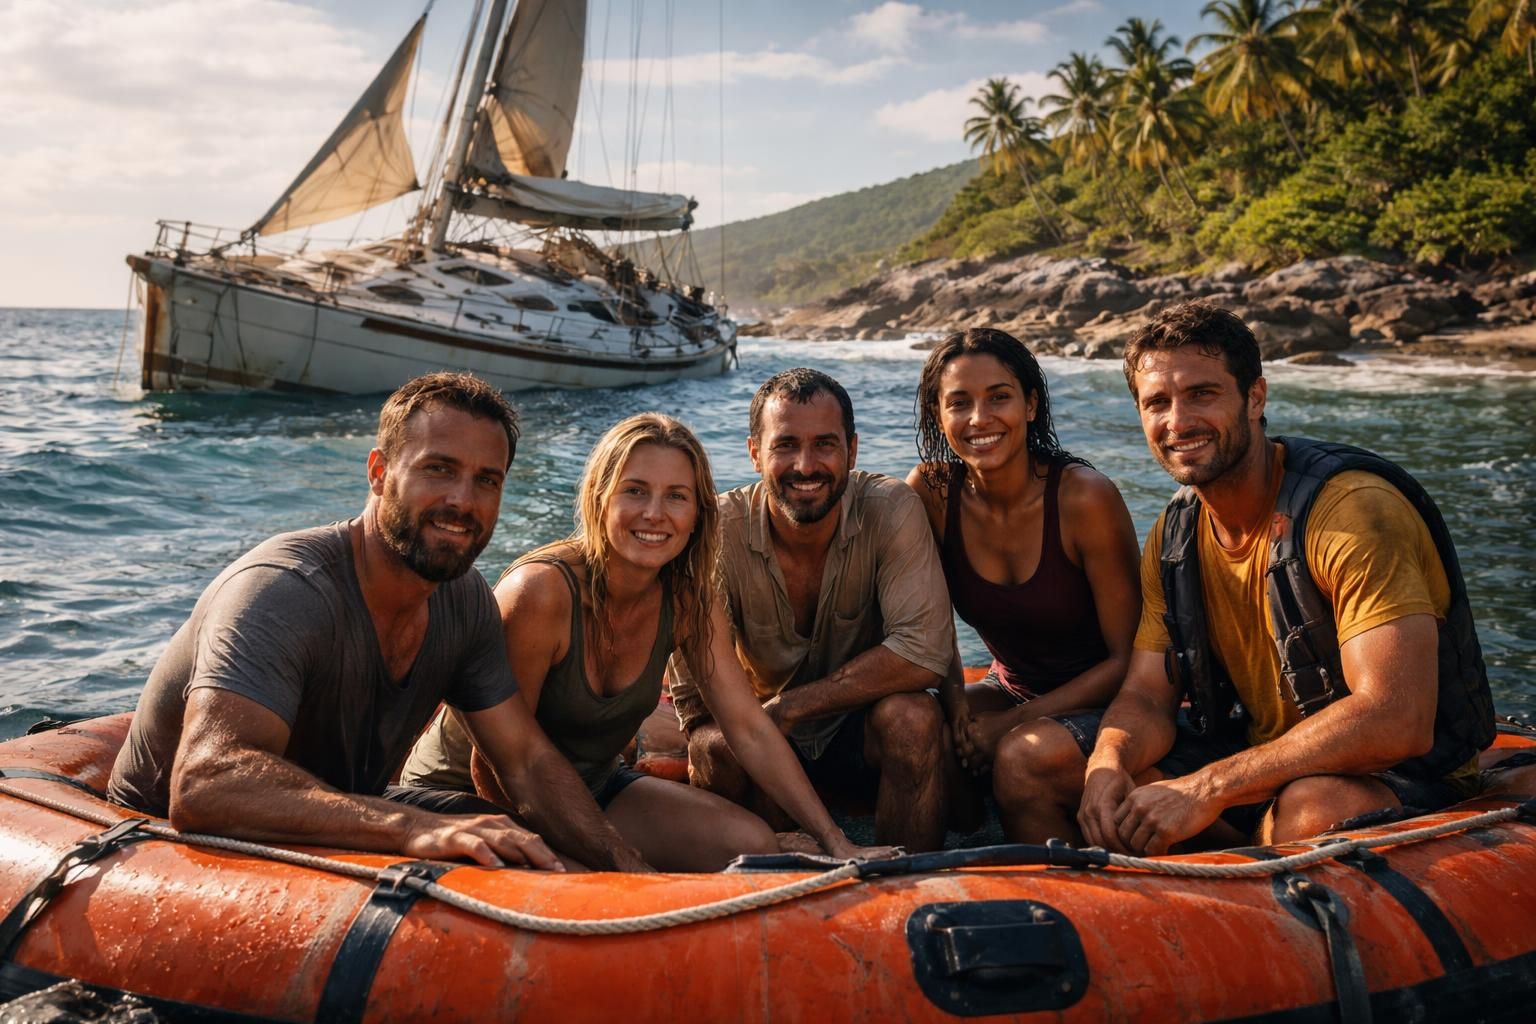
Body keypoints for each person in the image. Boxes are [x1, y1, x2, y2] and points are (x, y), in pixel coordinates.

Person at [107, 372, 649, 872]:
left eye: (487, 480)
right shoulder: (284, 591)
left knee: (493, 830)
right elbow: (208, 784)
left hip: (336, 814)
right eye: (438, 469)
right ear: (378, 472)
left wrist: (629, 870)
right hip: (164, 852)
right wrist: (412, 827)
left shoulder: (465, 603)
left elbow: (525, 761)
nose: (463, 500)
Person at [1031, 301, 1494, 854]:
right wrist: (1106, 766)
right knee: (1034, 762)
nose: (1178, 422)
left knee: (1311, 809)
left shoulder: (1351, 513)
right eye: (1157, 403)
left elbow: (1397, 720)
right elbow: (1149, 696)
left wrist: (1209, 788)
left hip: (1404, 775)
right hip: (1264, 761)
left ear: (1255, 397)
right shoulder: (1175, 537)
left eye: (1202, 394)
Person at [400, 414, 889, 870]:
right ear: (600, 497)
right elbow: (494, 768)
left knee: (751, 842)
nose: (654, 514)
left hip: (592, 786)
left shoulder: (688, 597)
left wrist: (833, 839)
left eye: (677, 496)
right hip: (468, 797)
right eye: (635, 491)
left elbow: (749, 728)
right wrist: (600, 862)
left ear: (699, 513)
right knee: (625, 879)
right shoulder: (541, 593)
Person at [671, 368, 958, 852]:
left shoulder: (891, 509)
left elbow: (925, 652)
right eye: (785, 445)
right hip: (753, 727)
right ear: (754, 452)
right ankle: (776, 890)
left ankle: (909, 886)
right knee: (716, 745)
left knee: (914, 719)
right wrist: (767, 723)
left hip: (854, 728)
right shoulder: (715, 533)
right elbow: (697, 704)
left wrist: (793, 707)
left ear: (853, 450)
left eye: (825, 444)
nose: (806, 466)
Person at [906, 328, 1141, 841]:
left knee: (1017, 750)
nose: (978, 419)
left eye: (999, 398)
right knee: (920, 722)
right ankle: (964, 847)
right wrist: (956, 710)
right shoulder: (931, 492)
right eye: (959, 403)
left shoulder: (1084, 499)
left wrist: (1009, 725)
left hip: (1109, 700)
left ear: (1030, 405)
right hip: (1008, 686)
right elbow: (929, 623)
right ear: (937, 415)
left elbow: (1127, 661)